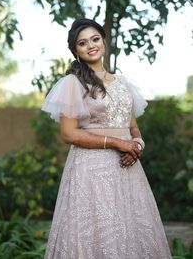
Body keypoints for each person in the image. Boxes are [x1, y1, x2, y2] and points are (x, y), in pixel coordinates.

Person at [41, 18, 171, 259]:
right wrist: (117, 143)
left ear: (103, 41)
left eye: (95, 39)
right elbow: (69, 134)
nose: (90, 45)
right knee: (97, 232)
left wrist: (137, 146)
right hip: (90, 171)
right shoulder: (73, 82)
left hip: (128, 169)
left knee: (130, 231)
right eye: (82, 43)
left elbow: (134, 128)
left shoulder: (123, 82)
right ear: (75, 50)